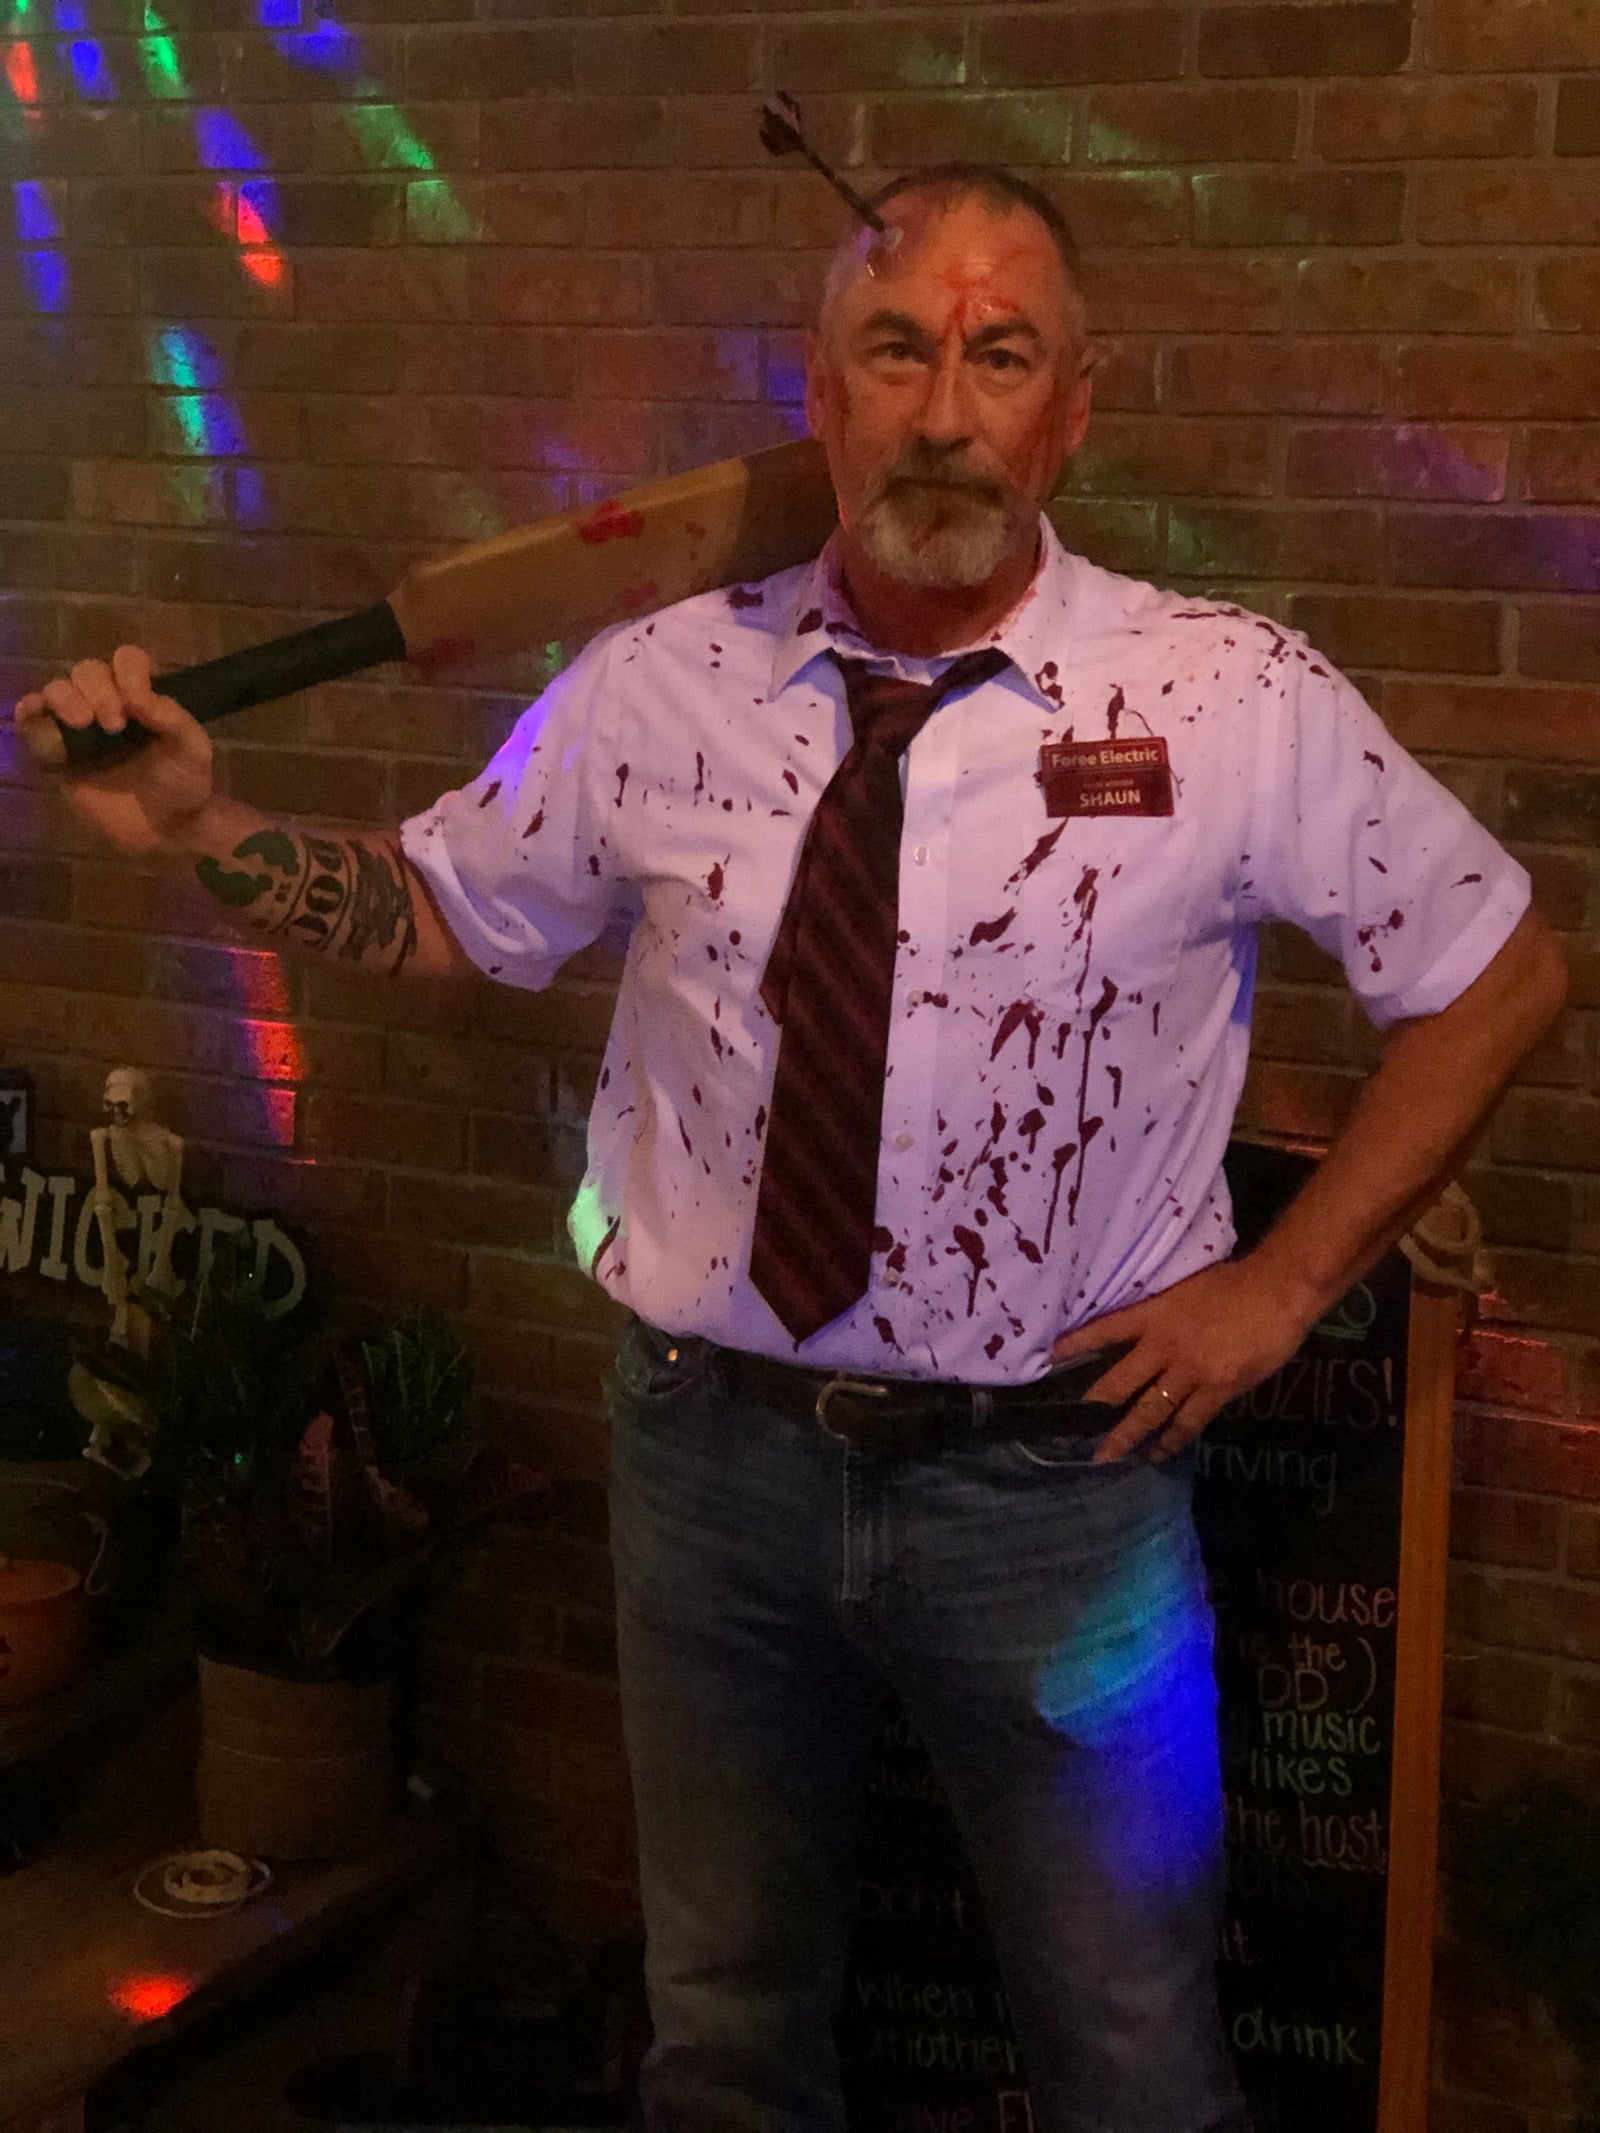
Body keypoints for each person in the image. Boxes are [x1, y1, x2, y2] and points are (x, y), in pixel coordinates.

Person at [15, 163, 1566, 2133]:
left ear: (1073, 407)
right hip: (710, 1463)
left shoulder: (1228, 700)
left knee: (1126, 2049)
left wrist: (1282, 1286)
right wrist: (194, 829)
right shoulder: (660, 681)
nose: (942, 410)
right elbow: (442, 906)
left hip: (1056, 1494)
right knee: (727, 2036)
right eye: (892, 352)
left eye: (998, 357)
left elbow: (1499, 969)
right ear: (820, 398)